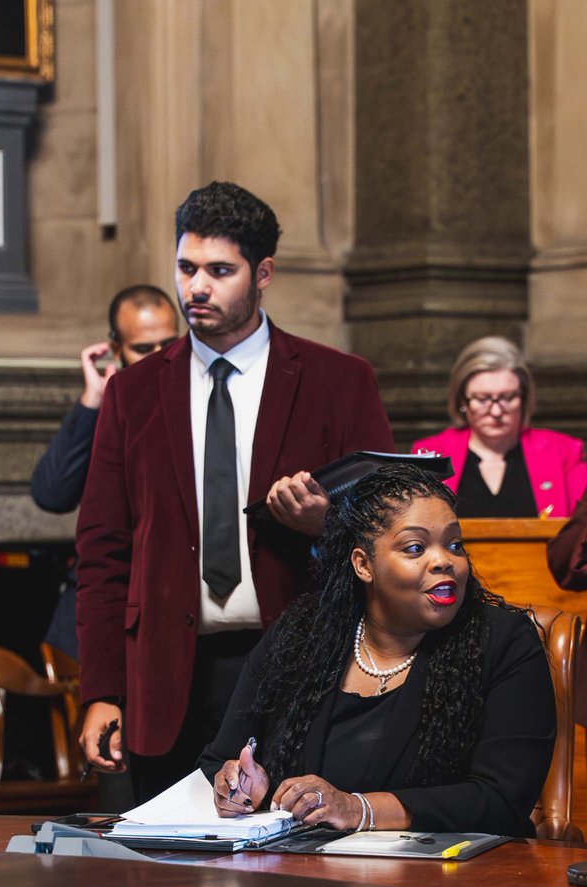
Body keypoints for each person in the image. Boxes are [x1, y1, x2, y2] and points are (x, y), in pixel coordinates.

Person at [77, 180, 395, 802]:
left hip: (295, 663)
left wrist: (324, 523)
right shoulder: (133, 393)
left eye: (220, 271)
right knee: (162, 884)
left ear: (263, 273)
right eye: (186, 267)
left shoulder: (339, 381)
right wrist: (100, 692)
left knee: (291, 882)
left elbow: (392, 526)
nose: (197, 287)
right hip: (168, 672)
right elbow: (102, 553)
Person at [199, 464, 556, 838]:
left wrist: (359, 809)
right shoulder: (302, 635)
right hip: (298, 873)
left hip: (448, 879)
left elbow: (501, 799)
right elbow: (219, 759)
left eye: (454, 544)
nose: (444, 560)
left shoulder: (503, 641)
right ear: (363, 565)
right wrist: (243, 786)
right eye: (416, 548)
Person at [31, 285, 179, 659]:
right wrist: (93, 400)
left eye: (170, 344)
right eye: (144, 349)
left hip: (173, 610)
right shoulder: (110, 406)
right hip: (107, 610)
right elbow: (51, 493)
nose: (160, 358)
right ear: (116, 349)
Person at [411, 337, 587, 518]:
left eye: (508, 397)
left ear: (524, 399)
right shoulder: (432, 453)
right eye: (482, 399)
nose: (496, 411)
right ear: (463, 401)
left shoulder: (564, 452)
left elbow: (578, 531)